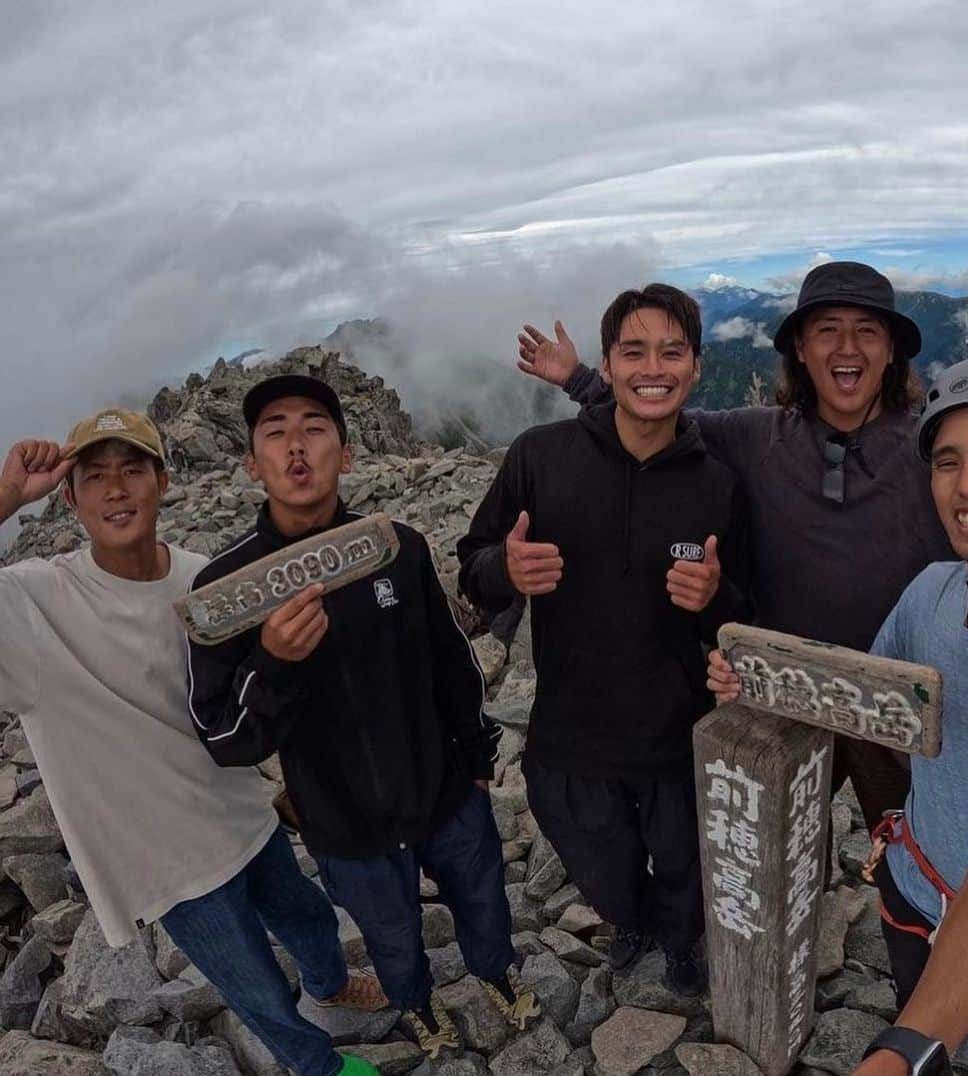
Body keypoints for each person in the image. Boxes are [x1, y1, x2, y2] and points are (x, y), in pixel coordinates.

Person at [518, 262, 968, 839]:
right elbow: (661, 425)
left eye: (867, 331)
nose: (847, 347)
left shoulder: (935, 447)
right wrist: (581, 379)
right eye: (827, 330)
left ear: (891, 353)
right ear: (800, 351)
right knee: (771, 847)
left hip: (903, 695)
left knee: (923, 840)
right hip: (780, 689)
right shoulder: (754, 436)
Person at [712, 352, 968, 1076]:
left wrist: (901, 1054)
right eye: (947, 463)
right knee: (919, 993)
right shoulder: (932, 590)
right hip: (912, 877)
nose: (967, 485)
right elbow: (863, 697)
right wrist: (753, 677)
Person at [0, 411, 381, 1076]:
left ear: (164, 482)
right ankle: (315, 1066)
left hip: (239, 806)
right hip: (161, 858)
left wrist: (300, 777)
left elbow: (264, 687)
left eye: (132, 469)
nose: (116, 489)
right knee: (252, 983)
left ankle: (331, 983)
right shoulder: (33, 604)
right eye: (95, 477)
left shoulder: (208, 580)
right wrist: (5, 499)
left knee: (306, 912)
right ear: (69, 497)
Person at [186, 374, 539, 1061]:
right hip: (344, 822)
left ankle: (496, 972)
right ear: (250, 463)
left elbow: (451, 663)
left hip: (443, 791)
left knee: (483, 896)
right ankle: (415, 1003)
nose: (297, 446)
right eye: (276, 432)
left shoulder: (396, 545)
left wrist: (475, 764)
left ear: (347, 455)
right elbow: (226, 737)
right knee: (390, 932)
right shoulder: (226, 592)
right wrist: (275, 661)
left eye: (315, 428)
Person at [459, 284, 749, 996]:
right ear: (608, 367)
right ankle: (631, 920)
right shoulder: (539, 457)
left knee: (685, 860)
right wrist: (506, 569)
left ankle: (681, 942)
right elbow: (474, 565)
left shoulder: (719, 485)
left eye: (672, 352)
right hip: (570, 730)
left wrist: (716, 599)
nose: (654, 367)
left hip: (677, 732)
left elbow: (743, 615)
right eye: (635, 351)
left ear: (696, 368)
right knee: (597, 859)